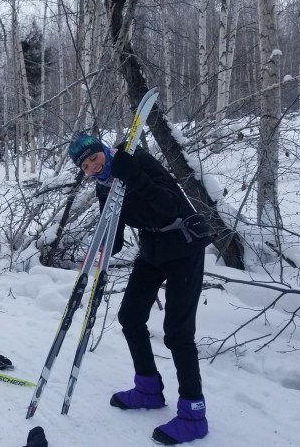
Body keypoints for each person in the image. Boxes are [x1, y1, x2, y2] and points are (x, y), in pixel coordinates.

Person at [68, 134, 213, 445]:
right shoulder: (104, 186)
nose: (93, 166)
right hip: (153, 248)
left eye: (94, 158)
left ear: (103, 150)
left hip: (183, 244)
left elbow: (170, 206)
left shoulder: (136, 161)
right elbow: (115, 235)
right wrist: (98, 249)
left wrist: (132, 174)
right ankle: (148, 389)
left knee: (178, 333)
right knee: (130, 317)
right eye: (85, 166)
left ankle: (193, 415)